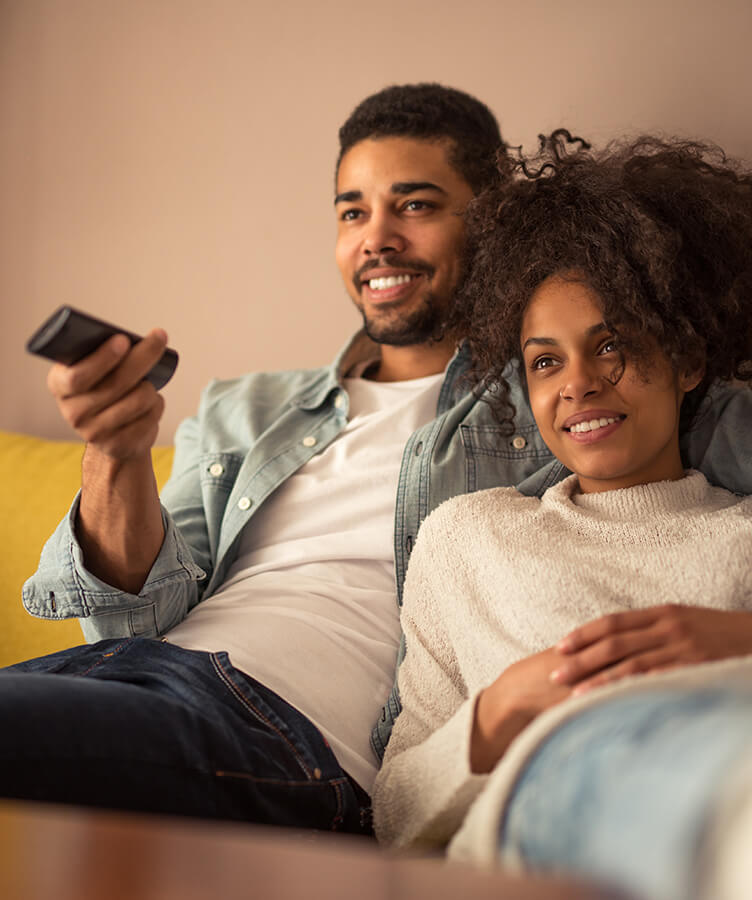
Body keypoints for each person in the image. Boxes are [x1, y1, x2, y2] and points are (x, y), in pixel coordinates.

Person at [3, 87, 750, 836]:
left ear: (490, 222)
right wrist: (116, 453)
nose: (377, 238)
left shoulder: (561, 392)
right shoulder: (243, 407)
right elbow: (129, 618)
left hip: (286, 734)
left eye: (415, 206)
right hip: (130, 683)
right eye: (352, 212)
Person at [371, 133, 752, 899]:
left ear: (686, 361)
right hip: (557, 791)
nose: (576, 384)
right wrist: (500, 710)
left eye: (610, 346)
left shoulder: (742, 534)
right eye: (545, 360)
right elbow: (394, 815)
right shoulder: (469, 536)